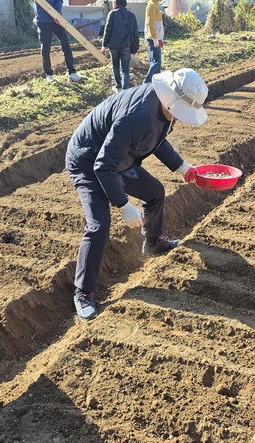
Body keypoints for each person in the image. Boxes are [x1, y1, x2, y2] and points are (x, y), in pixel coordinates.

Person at [65, 68, 208, 320]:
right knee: (99, 224)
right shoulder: (136, 116)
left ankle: (153, 242)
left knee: (155, 192)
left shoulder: (163, 108)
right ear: (173, 101)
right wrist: (123, 205)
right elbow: (103, 166)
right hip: (88, 161)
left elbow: (155, 139)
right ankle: (83, 292)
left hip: (118, 159)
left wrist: (182, 166)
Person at [35, 0, 83, 83]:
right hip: (43, 21)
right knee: (45, 48)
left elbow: (59, 1)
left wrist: (56, 15)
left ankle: (71, 73)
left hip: (56, 20)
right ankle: (49, 74)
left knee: (66, 45)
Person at [102, 0, 140, 93]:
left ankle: (118, 87)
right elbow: (135, 33)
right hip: (126, 46)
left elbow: (107, 30)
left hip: (113, 46)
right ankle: (125, 89)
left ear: (116, 3)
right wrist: (136, 48)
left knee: (115, 66)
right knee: (125, 69)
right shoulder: (131, 15)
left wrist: (104, 45)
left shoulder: (112, 14)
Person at [143, 0, 164, 83]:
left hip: (156, 38)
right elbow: (150, 22)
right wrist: (155, 38)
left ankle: (155, 83)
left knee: (156, 63)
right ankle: (146, 83)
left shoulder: (154, 4)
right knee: (156, 62)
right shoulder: (152, 5)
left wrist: (159, 37)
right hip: (153, 39)